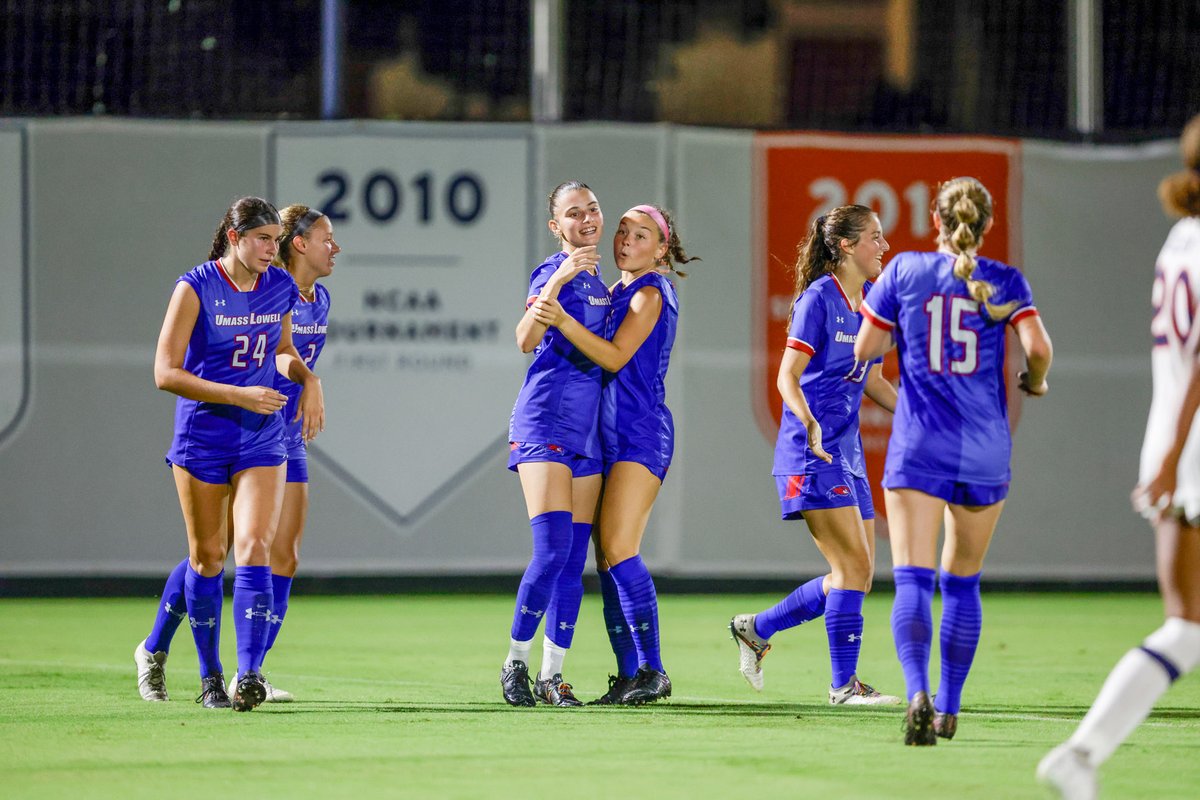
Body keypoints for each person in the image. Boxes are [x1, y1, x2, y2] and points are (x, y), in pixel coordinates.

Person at [854, 177, 1053, 745]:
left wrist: (905, 333)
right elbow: (1039, 349)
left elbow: (866, 349)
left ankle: (915, 690)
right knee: (962, 583)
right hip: (986, 447)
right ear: (986, 226)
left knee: (913, 577)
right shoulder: (1004, 280)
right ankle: (948, 708)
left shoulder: (907, 271)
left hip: (921, 441)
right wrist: (1032, 382)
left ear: (934, 222)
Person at [1038, 114, 1200, 798]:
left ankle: (1081, 753)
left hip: (1173, 440)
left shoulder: (1178, 238)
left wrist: (1166, 455)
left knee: (1187, 629)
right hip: (1187, 443)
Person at [135, 204, 337, 706]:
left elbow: (283, 350)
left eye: (277, 239)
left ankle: (249, 675)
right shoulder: (196, 286)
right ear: (234, 236)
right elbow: (165, 373)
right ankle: (199, 672)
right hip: (203, 435)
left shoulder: (280, 286)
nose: (275, 248)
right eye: (265, 239)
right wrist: (237, 394)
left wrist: (308, 380)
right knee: (208, 556)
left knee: (256, 549)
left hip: (263, 435)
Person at [729, 205, 900, 706]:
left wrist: (920, 415)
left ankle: (756, 629)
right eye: (874, 237)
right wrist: (807, 421)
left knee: (858, 575)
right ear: (845, 245)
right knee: (850, 571)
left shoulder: (868, 302)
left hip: (845, 453)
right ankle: (843, 687)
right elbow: (787, 375)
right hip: (811, 453)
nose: (883, 246)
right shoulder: (818, 299)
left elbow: (872, 378)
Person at [532, 203, 698, 705]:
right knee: (605, 560)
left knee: (620, 548)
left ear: (662, 249)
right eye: (623, 232)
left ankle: (654, 669)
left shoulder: (650, 290)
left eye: (642, 235)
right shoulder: (617, 290)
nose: (626, 240)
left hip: (640, 433)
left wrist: (558, 318)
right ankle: (630, 674)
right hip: (606, 436)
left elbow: (614, 355)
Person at [501, 180, 608, 707]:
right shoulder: (555, 272)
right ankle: (514, 665)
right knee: (551, 552)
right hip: (545, 423)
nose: (586, 218)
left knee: (572, 562)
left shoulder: (602, 279)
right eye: (573, 213)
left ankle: (552, 677)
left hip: (587, 433)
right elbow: (524, 340)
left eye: (591, 209)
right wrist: (558, 279)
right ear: (556, 226)